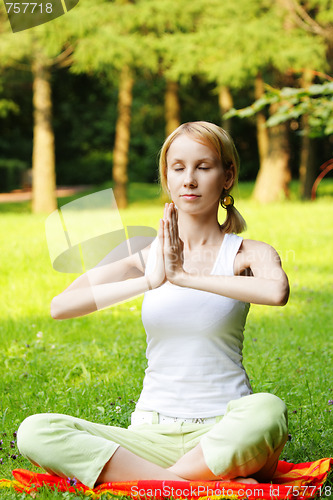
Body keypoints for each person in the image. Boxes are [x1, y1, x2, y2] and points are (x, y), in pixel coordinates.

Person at [17, 121, 289, 489]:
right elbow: (60, 306)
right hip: (148, 435)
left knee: (268, 410)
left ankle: (154, 482)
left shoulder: (247, 254)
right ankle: (192, 483)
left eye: (203, 167)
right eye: (178, 168)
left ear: (227, 177)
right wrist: (147, 281)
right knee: (36, 431)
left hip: (223, 428)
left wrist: (184, 277)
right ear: (167, 177)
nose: (189, 180)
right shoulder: (145, 258)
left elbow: (276, 292)